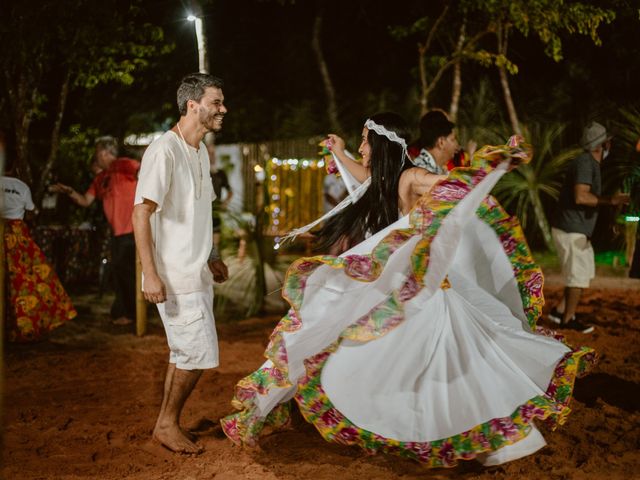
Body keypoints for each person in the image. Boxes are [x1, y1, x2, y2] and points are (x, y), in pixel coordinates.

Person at [221, 112, 595, 468]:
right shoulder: (383, 178)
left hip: (422, 292)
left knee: (448, 363)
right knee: (337, 338)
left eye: (366, 141)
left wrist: (492, 166)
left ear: (382, 144)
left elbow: (451, 186)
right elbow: (363, 172)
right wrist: (339, 150)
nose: (362, 148)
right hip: (396, 289)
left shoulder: (412, 176)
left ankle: (483, 437)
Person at [132, 73, 229, 454]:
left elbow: (198, 212)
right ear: (193, 105)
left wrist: (213, 256)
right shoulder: (164, 150)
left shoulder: (200, 151)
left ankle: (167, 423)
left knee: (187, 352)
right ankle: (167, 424)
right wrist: (151, 274)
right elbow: (142, 213)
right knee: (198, 353)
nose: (224, 109)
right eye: (217, 102)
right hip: (173, 276)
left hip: (196, 271)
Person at [549, 121, 630, 332]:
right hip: (571, 229)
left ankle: (560, 311)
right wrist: (611, 201)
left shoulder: (588, 163)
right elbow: (581, 196)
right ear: (602, 144)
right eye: (608, 142)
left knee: (581, 275)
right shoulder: (586, 163)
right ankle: (568, 320)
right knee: (578, 277)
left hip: (574, 228)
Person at [50, 136, 140, 326]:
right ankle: (127, 313)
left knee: (128, 272)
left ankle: (133, 314)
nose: (95, 155)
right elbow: (85, 201)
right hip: (116, 233)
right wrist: (69, 191)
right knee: (119, 272)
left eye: (97, 151)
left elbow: (147, 173)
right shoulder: (100, 178)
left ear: (105, 152)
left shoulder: (124, 164)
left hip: (134, 228)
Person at [1, 134, 77, 341]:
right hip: (17, 237)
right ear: (15, 163)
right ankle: (24, 327)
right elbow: (32, 212)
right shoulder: (21, 186)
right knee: (25, 283)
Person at [204, 135, 233, 254]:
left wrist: (225, 203)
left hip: (216, 210)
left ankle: (216, 265)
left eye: (213, 154)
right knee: (204, 242)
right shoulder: (203, 172)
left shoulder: (220, 173)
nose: (212, 156)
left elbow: (230, 191)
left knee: (216, 244)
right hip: (204, 210)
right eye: (209, 154)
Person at [407, 109, 460, 174]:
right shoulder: (421, 172)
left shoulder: (437, 169)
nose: (457, 145)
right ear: (441, 142)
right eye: (453, 139)